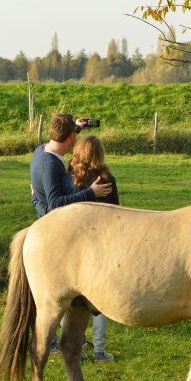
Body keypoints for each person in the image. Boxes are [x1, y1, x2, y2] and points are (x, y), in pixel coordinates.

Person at [29, 113, 113, 360]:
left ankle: (75, 339)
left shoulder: (40, 150)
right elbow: (55, 204)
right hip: (56, 234)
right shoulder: (51, 165)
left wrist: (75, 126)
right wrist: (90, 192)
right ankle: (56, 343)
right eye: (74, 134)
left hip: (55, 229)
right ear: (70, 139)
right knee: (58, 293)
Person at [67, 135, 120, 361]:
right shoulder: (106, 178)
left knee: (71, 297)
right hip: (101, 243)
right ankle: (99, 349)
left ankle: (76, 347)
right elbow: (117, 212)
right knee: (100, 298)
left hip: (76, 244)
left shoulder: (71, 178)